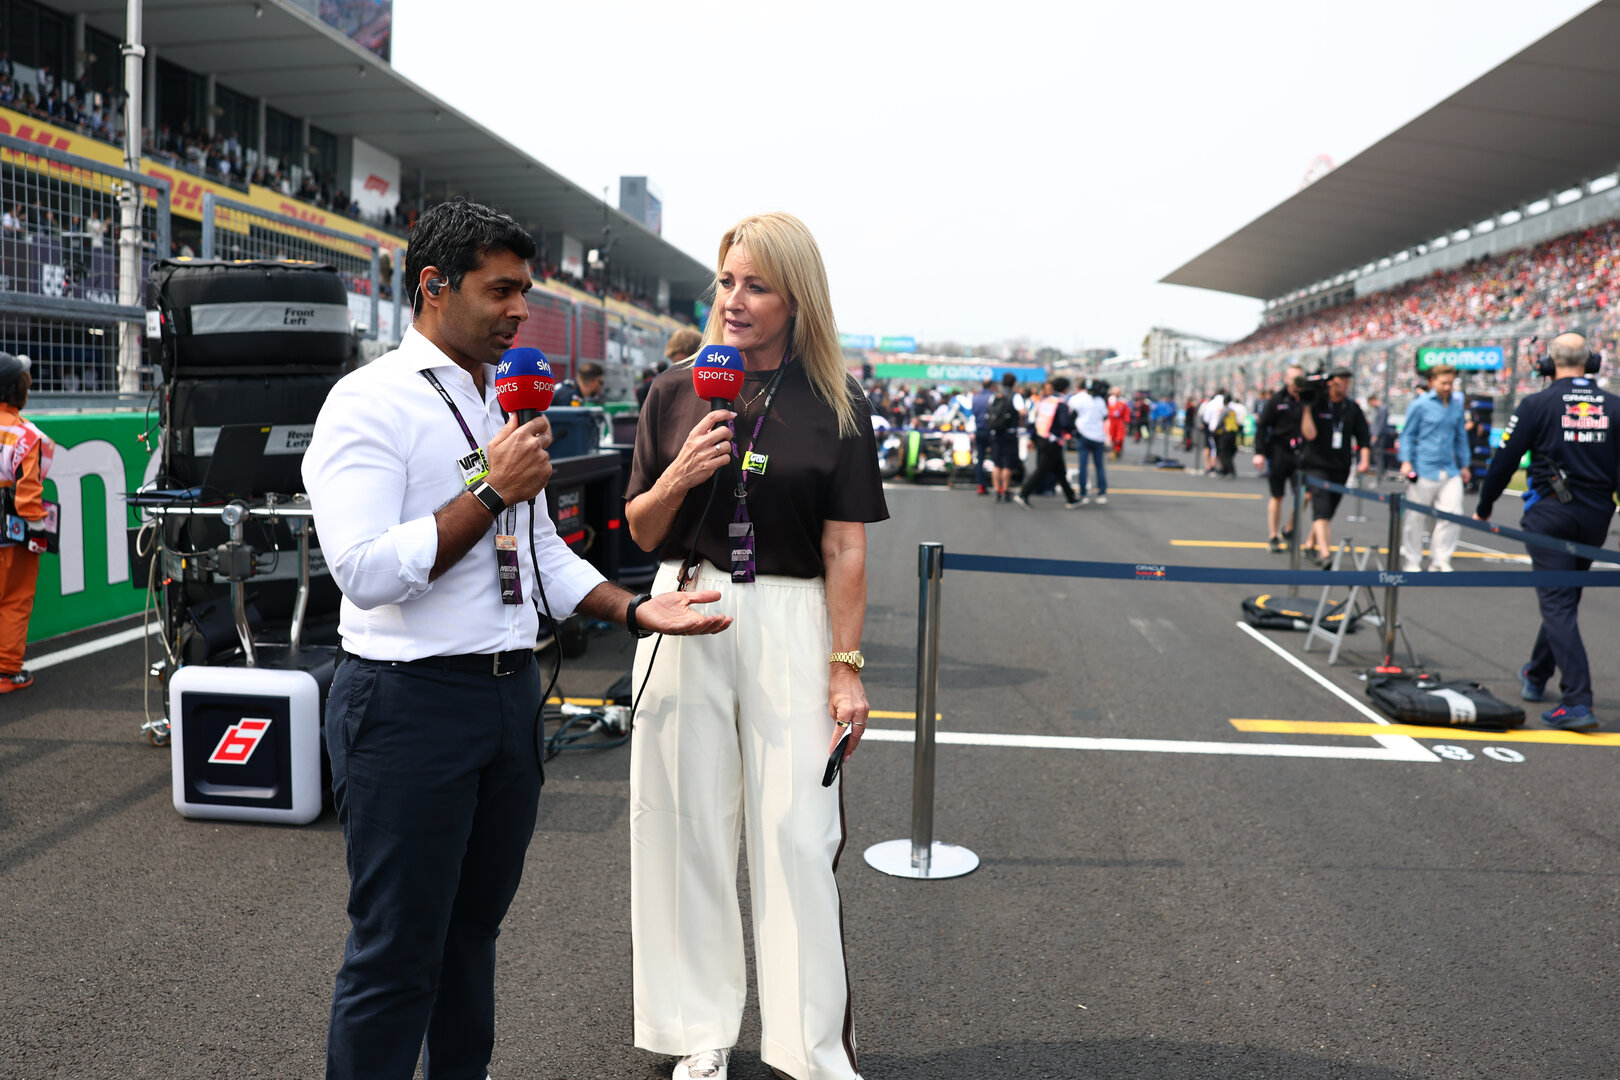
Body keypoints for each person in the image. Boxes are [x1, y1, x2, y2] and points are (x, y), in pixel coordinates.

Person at [302, 199, 731, 1080]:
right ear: (432, 286)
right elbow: (365, 572)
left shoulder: (499, 397)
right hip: (405, 706)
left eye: (524, 295)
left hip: (506, 701)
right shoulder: (365, 402)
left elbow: (539, 555)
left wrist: (635, 609)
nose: (516, 314)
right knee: (396, 953)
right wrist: (490, 492)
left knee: (471, 938)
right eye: (499, 292)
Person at [623, 211, 885, 1080]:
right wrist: (679, 474)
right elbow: (642, 528)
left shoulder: (839, 407)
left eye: (757, 285)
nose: (734, 301)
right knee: (684, 827)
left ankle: (811, 1051)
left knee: (797, 836)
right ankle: (700, 1031)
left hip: (792, 615)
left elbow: (846, 546)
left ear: (796, 299)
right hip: (685, 602)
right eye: (727, 281)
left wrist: (844, 670)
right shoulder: (671, 391)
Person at [1474, 332, 1620, 732]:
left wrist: (1485, 505)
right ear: (1592, 363)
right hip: (1596, 517)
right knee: (1566, 597)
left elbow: (1504, 459)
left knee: (1557, 603)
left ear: (1546, 364)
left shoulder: (1537, 403)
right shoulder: (1615, 406)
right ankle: (1536, 675)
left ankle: (1577, 701)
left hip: (1549, 513)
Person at [0, 353, 53, 693]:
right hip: (9, 533)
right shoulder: (24, 434)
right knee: (14, 599)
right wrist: (37, 525)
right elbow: (28, 487)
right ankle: (6, 671)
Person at [1397, 364, 1470, 572]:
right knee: (1415, 517)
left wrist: (1464, 465)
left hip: (1449, 468)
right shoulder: (1419, 405)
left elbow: (1461, 437)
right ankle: (1412, 559)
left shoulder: (1456, 405)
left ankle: (1441, 559)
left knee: (1453, 512)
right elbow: (1408, 435)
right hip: (1423, 468)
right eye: (1443, 383)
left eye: (1450, 383)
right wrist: (1406, 461)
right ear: (1432, 382)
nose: (1447, 387)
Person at [1298, 367, 1371, 565]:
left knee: (1328, 510)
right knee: (1320, 505)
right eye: (1341, 380)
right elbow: (1309, 434)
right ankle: (1325, 554)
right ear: (1331, 382)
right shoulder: (1318, 404)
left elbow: (1363, 437)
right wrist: (1306, 408)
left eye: (1347, 380)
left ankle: (1310, 543)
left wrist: (1364, 460)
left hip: (1341, 465)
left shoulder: (1352, 408)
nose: (1345, 384)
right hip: (1316, 463)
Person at [1252, 365, 1308, 551]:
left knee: (1304, 495)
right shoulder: (1276, 400)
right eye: (1294, 379)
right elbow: (1262, 427)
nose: (1297, 383)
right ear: (1286, 379)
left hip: (1301, 453)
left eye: (1300, 378)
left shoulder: (1309, 400)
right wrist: (1259, 452)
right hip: (1279, 452)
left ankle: (1289, 527)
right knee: (1277, 496)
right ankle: (1273, 535)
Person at [1012, 376, 1079, 509]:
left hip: (1042, 437)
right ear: (1066, 389)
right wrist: (1074, 427)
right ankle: (1023, 494)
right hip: (1053, 441)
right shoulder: (1061, 404)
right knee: (1042, 470)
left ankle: (1071, 498)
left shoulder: (1046, 401)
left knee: (1060, 471)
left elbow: (1037, 419)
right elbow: (1065, 423)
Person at [1070, 378, 1109, 504]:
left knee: (1083, 465)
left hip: (1083, 435)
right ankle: (1101, 493)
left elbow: (1070, 412)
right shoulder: (1101, 401)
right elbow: (1105, 416)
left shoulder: (1078, 398)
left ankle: (1083, 494)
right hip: (1098, 436)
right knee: (1099, 466)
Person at [987, 371, 1022, 503]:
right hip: (1010, 433)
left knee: (997, 464)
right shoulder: (1015, 396)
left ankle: (997, 490)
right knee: (1007, 464)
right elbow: (1022, 412)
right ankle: (1005, 489)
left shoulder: (995, 396)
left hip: (996, 433)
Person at [970, 377, 995, 494]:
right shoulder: (993, 397)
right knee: (997, 459)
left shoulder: (976, 397)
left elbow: (973, 412)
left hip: (979, 430)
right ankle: (999, 486)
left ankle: (981, 485)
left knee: (980, 458)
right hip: (991, 431)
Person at [1105, 387, 1130, 459]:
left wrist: (1127, 422)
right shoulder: (1110, 400)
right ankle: (1113, 451)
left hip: (1120, 421)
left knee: (1120, 437)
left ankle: (1118, 450)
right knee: (1112, 437)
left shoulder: (1123, 401)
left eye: (1118, 392)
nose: (1117, 393)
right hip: (1111, 421)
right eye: (1116, 392)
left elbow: (1126, 412)